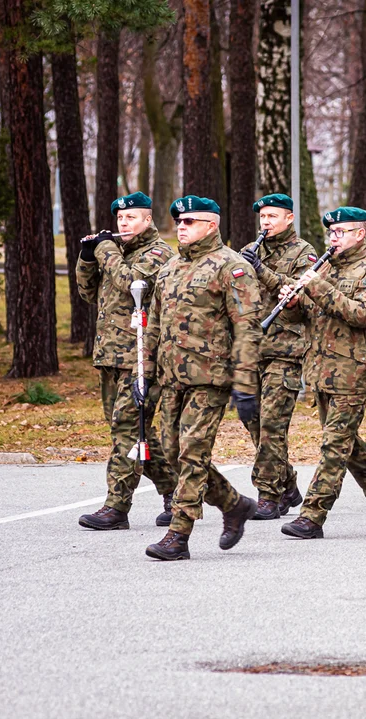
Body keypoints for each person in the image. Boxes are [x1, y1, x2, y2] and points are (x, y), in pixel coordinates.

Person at [279, 206, 366, 539]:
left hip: (353, 372)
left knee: (333, 447)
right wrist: (293, 305)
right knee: (346, 443)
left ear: (359, 234)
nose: (333, 239)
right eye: (331, 233)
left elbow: (362, 314)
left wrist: (318, 288)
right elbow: (308, 318)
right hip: (321, 370)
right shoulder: (326, 269)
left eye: (340, 232)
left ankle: (311, 516)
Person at [143, 196, 261, 561]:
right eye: (179, 220)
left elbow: (248, 328)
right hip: (172, 376)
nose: (182, 226)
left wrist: (244, 383)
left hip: (210, 377)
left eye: (191, 221)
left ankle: (178, 535)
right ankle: (235, 504)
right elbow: (155, 325)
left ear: (211, 225)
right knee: (173, 452)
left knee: (192, 452)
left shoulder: (232, 267)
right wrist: (144, 374)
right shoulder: (170, 268)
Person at [76, 192, 178, 531]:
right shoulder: (116, 253)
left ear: (147, 220)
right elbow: (90, 294)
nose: (123, 224)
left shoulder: (158, 253)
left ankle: (116, 507)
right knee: (135, 431)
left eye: (131, 218)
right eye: (120, 219)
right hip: (110, 355)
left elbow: (130, 283)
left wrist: (105, 251)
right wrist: (88, 258)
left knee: (126, 429)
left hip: (142, 357)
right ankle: (176, 490)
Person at [237, 194, 317, 519]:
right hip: (253, 346)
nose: (265, 222)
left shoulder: (305, 253)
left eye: (272, 216)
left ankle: (268, 494)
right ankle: (288, 483)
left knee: (272, 423)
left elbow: (302, 298)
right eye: (262, 217)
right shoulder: (252, 250)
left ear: (289, 218)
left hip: (286, 349)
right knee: (251, 418)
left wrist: (263, 271)